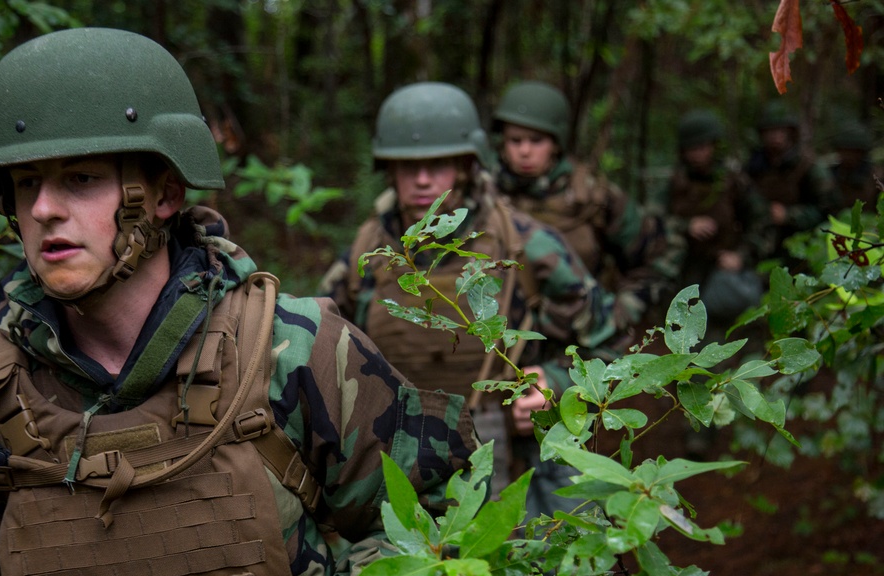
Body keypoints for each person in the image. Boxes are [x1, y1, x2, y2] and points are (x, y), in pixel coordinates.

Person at [0, 28, 477, 576]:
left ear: (164, 195)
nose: (46, 209)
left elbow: (439, 523)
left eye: (80, 178)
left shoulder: (295, 352)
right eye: (26, 185)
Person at [318, 81, 618, 521]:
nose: (422, 180)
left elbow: (611, 350)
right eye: (407, 166)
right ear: (389, 169)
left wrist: (553, 381)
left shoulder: (526, 246)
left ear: (463, 166)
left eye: (438, 164)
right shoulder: (366, 253)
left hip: (503, 457)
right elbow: (319, 358)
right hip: (390, 458)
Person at [490, 80, 682, 332]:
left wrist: (623, 311)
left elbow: (658, 257)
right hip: (498, 337)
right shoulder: (486, 195)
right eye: (515, 140)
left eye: (536, 141)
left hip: (578, 337)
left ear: (556, 143)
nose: (524, 151)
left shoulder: (593, 197)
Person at [656, 110, 769, 457]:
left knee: (727, 350)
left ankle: (736, 420)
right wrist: (684, 226)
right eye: (693, 147)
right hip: (685, 282)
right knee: (689, 355)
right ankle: (698, 427)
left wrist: (742, 256)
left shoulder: (733, 182)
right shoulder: (673, 182)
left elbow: (761, 223)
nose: (699, 154)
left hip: (722, 283)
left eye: (705, 146)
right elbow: (651, 225)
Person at [744, 100, 840, 262]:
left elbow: (830, 211)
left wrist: (790, 215)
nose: (775, 136)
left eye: (780, 130)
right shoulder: (754, 166)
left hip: (802, 245)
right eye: (770, 131)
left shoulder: (808, 166)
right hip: (761, 243)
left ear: (790, 133)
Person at [829, 118, 880, 212]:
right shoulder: (831, 173)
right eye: (843, 150)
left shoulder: (876, 176)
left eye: (852, 151)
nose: (847, 156)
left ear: (862, 153)